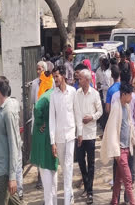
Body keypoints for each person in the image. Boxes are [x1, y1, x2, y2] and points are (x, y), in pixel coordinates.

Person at [100, 82, 135, 205]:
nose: (131, 97)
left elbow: (130, 126)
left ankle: (114, 201)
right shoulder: (116, 108)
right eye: (130, 95)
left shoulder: (127, 107)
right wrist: (116, 151)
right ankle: (133, 203)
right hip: (120, 150)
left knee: (118, 179)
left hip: (127, 148)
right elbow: (112, 131)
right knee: (128, 179)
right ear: (124, 95)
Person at [0, 76, 21, 204]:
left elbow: (14, 144)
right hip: (1, 170)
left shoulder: (8, 112)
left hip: (5, 171)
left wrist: (12, 177)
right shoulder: (1, 109)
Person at [75, 69, 103, 204]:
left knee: (91, 163)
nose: (78, 81)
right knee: (80, 161)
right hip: (80, 134)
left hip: (91, 134)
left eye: (80, 78)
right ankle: (86, 185)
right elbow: (76, 113)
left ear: (86, 80)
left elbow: (100, 111)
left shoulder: (95, 94)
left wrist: (91, 117)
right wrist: (78, 132)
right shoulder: (77, 94)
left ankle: (90, 191)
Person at [50, 65, 77, 205]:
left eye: (57, 76)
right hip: (59, 138)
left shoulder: (73, 92)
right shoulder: (53, 95)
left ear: (63, 77)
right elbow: (51, 120)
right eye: (54, 77)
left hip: (71, 135)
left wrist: (80, 134)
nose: (55, 79)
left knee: (68, 167)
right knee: (64, 167)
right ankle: (70, 195)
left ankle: (67, 201)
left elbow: (76, 113)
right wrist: (52, 142)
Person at [30, 87, 59, 205]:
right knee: (52, 174)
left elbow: (37, 108)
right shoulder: (51, 96)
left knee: (48, 173)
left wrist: (40, 122)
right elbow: (37, 108)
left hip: (45, 136)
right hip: (48, 136)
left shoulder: (47, 96)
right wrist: (40, 122)